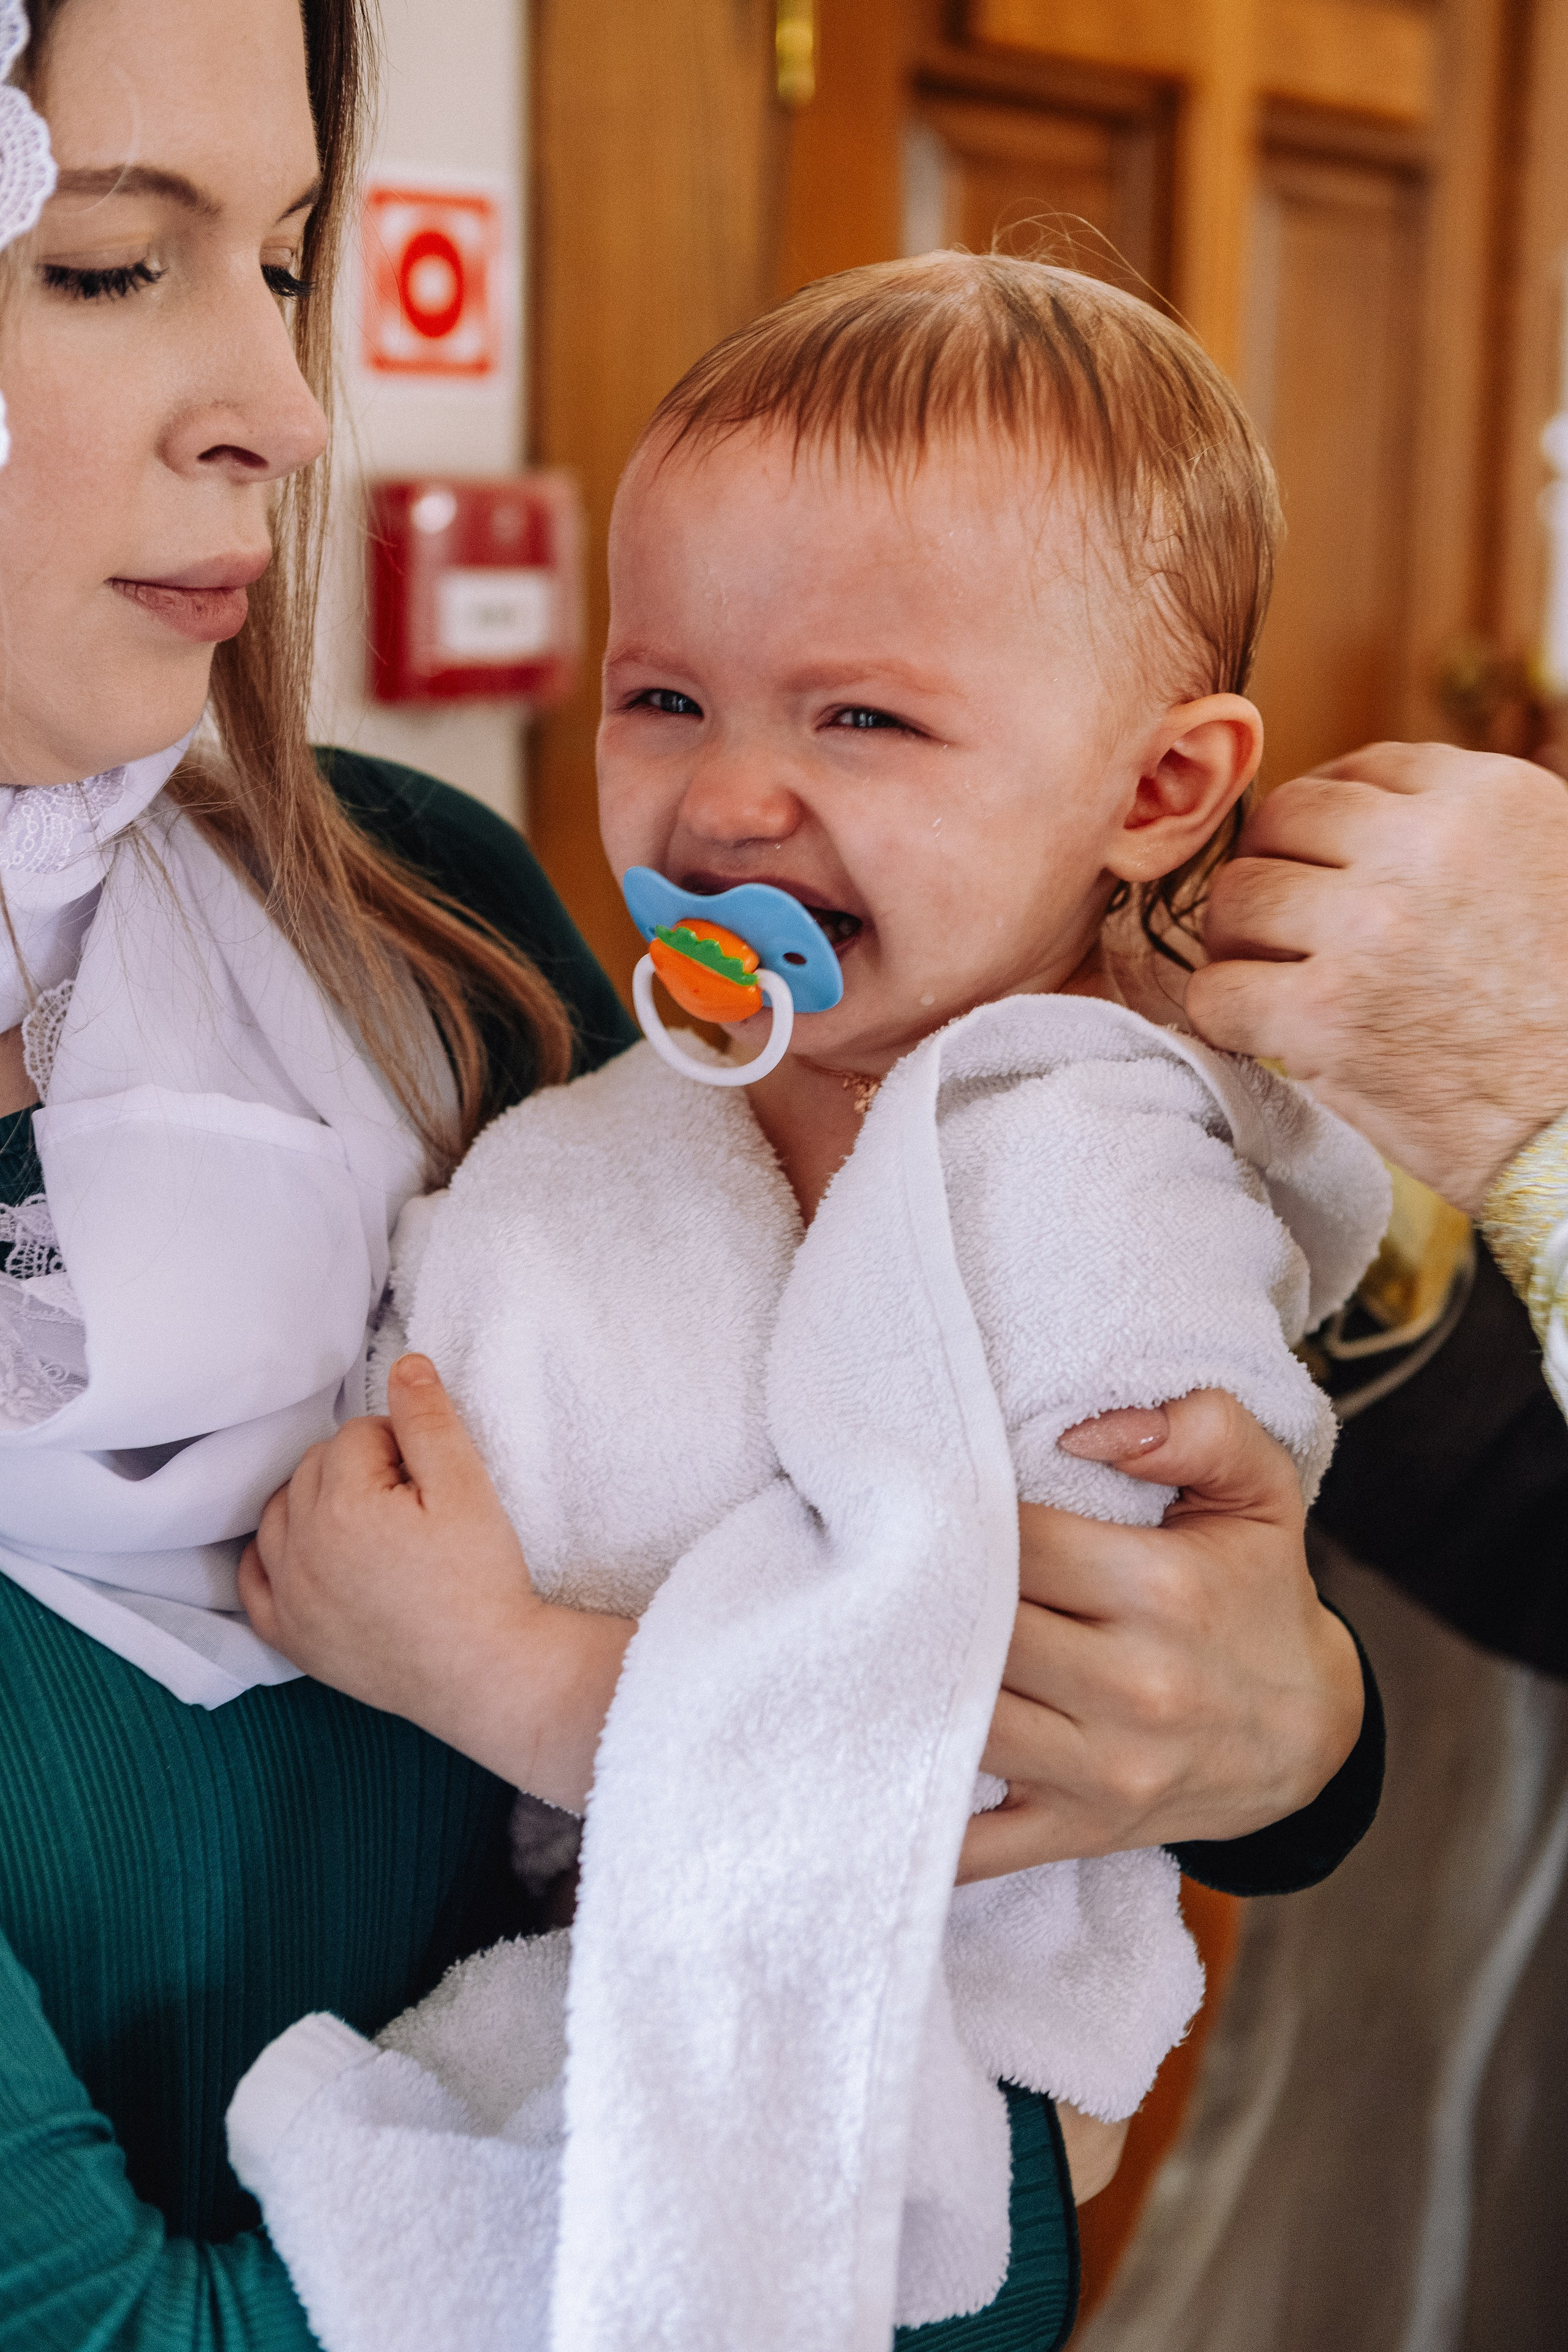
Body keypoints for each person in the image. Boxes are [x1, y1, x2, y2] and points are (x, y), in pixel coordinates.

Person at [0, 4, 1381, 2346]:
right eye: (115, 263)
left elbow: (1058, 1519)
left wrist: (1296, 1730)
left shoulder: (410, 925)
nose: (290, 411)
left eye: (292, 260)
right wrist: (966, 2217)